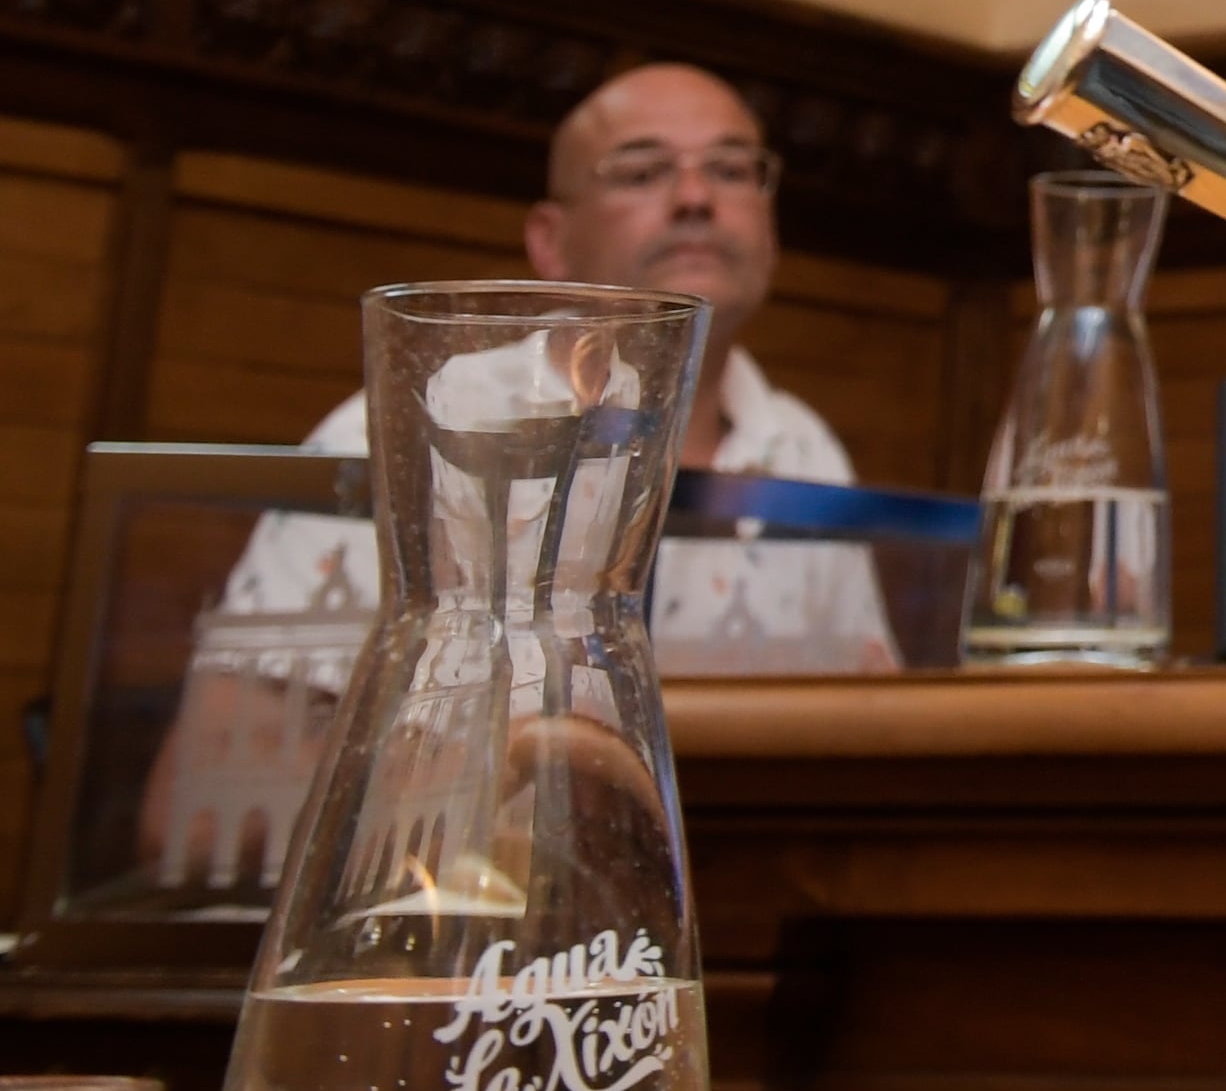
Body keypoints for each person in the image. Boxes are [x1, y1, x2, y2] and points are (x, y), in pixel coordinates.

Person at [151, 66, 890, 879]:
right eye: (643, 170)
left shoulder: (808, 452)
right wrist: (501, 772)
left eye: (730, 167)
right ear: (550, 240)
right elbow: (193, 809)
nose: (694, 197)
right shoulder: (427, 419)